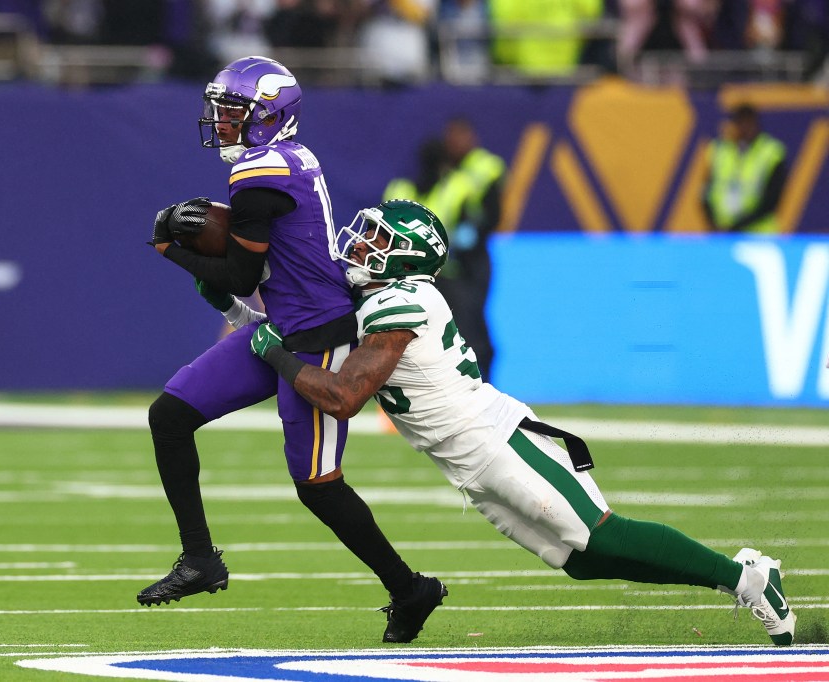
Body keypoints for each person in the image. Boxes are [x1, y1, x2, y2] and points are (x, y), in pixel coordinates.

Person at [248, 199, 797, 647]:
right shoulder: (379, 298)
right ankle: (743, 576)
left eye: (378, 240)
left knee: (604, 532)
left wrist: (275, 353)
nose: (361, 246)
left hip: (498, 440)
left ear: (407, 260)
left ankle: (747, 579)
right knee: (582, 563)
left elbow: (343, 398)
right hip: (466, 461)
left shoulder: (404, 299)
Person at [140, 56, 445, 644]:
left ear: (267, 115)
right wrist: (199, 224)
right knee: (170, 415)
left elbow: (237, 271)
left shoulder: (259, 173)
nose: (221, 121)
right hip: (284, 321)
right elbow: (256, 244)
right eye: (221, 109)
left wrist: (168, 247)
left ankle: (410, 589)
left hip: (319, 334)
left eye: (233, 111)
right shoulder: (282, 157)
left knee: (316, 484)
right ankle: (200, 559)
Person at [383, 117, 504, 380]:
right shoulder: (457, 187)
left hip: (415, 277)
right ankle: (478, 382)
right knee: (469, 331)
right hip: (448, 273)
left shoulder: (400, 188)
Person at [701, 103, 788, 235]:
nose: (745, 128)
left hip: (759, 236)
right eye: (740, 123)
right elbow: (706, 193)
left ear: (756, 124)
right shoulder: (719, 151)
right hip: (723, 235)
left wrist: (736, 227)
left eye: (748, 123)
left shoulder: (771, 153)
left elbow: (771, 202)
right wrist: (714, 225)